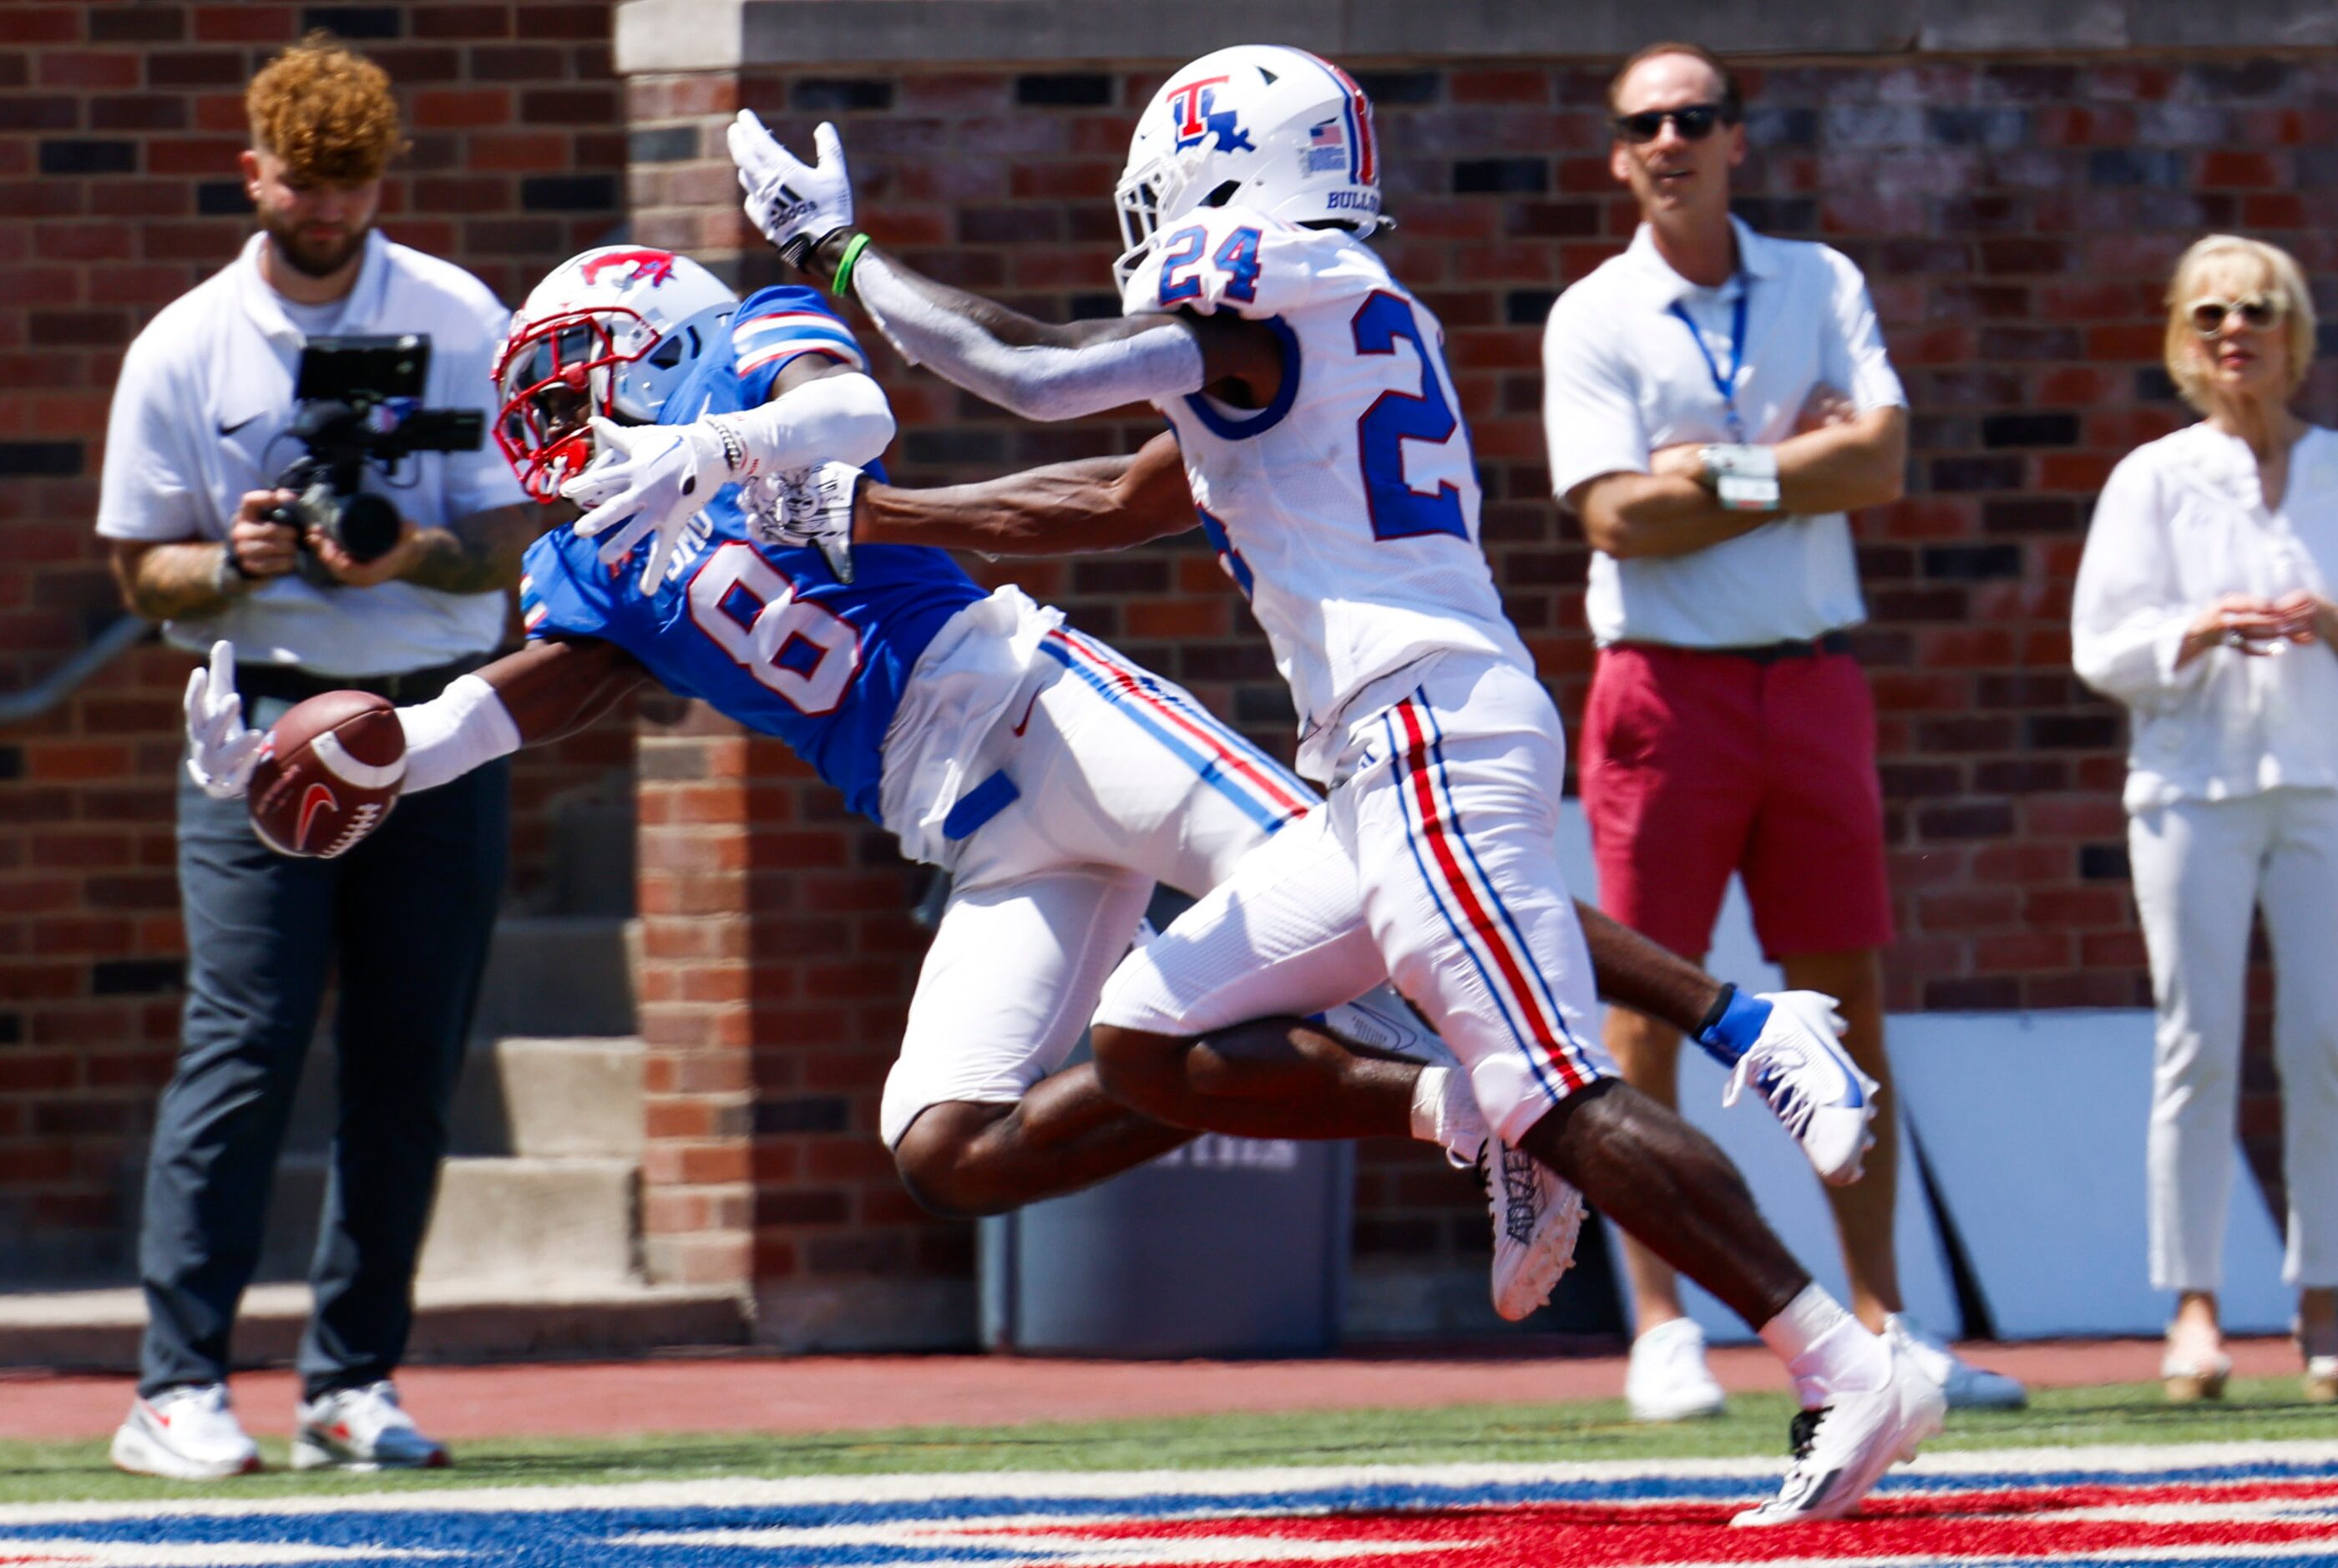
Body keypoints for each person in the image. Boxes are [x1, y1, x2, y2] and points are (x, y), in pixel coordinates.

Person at [183, 245, 1856, 1344]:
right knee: (945, 1149)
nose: (554, 425)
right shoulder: (587, 557)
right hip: (972, 836)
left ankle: (1737, 1024)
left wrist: (714, 450)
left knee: (1400, 882)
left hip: (1050, 710)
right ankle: (1442, 1111)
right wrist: (366, 755)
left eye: (573, 380)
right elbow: (521, 697)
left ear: (641, 332)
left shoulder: (741, 362)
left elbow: (849, 407)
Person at [725, 45, 1940, 1524]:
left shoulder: (1274, 283)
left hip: (1421, 722)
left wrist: (838, 255)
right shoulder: (1331, 316)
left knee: (1557, 1085)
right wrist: (866, 518)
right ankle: (1484, 1108)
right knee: (1145, 1038)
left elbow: (1033, 374)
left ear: (1226, 164)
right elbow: (1111, 497)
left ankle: (1844, 1360)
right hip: (1379, 755)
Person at [1540, 40, 2025, 1420]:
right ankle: (1662, 1326)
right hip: (1663, 687)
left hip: (1811, 679)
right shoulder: (1595, 315)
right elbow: (1616, 515)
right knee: (1648, 1003)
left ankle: (1884, 1322)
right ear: (1620, 153)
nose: (1674, 138)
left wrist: (1730, 471)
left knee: (1847, 1000)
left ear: (1739, 137)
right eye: (1648, 122)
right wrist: (1798, 473)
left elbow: (1881, 460)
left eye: (1698, 115)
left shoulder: (1822, 280)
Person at [94, 37, 543, 1479]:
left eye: (357, 186)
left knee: (409, 1056)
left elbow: (519, 526)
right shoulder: (186, 343)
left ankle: (353, 1376)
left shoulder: (461, 314)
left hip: (431, 714)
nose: (333, 211)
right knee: (245, 1043)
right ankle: (176, 1386)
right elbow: (136, 574)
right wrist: (229, 561)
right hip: (257, 718)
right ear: (255, 173)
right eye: (309, 184)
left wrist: (410, 551)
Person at [2072, 235, 2338, 1404]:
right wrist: (2199, 626)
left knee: (2330, 1040)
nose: (2235, 331)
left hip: (2324, 782)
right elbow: (2101, 648)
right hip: (2191, 791)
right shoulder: (2153, 475)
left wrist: (2332, 622)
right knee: (2199, 1041)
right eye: (2209, 315)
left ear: (2295, 331)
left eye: (2258, 311)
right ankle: (2193, 1304)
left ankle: (2324, 1297)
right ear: (2185, 340)